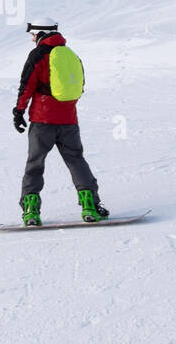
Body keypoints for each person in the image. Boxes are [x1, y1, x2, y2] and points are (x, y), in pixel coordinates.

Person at [13, 18, 106, 225]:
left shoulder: (38, 55)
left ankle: (31, 211)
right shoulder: (71, 54)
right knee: (76, 160)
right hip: (68, 120)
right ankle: (90, 204)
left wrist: (19, 112)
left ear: (40, 34)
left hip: (42, 120)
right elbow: (79, 86)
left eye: (33, 35)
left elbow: (26, 85)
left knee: (35, 164)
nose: (32, 39)